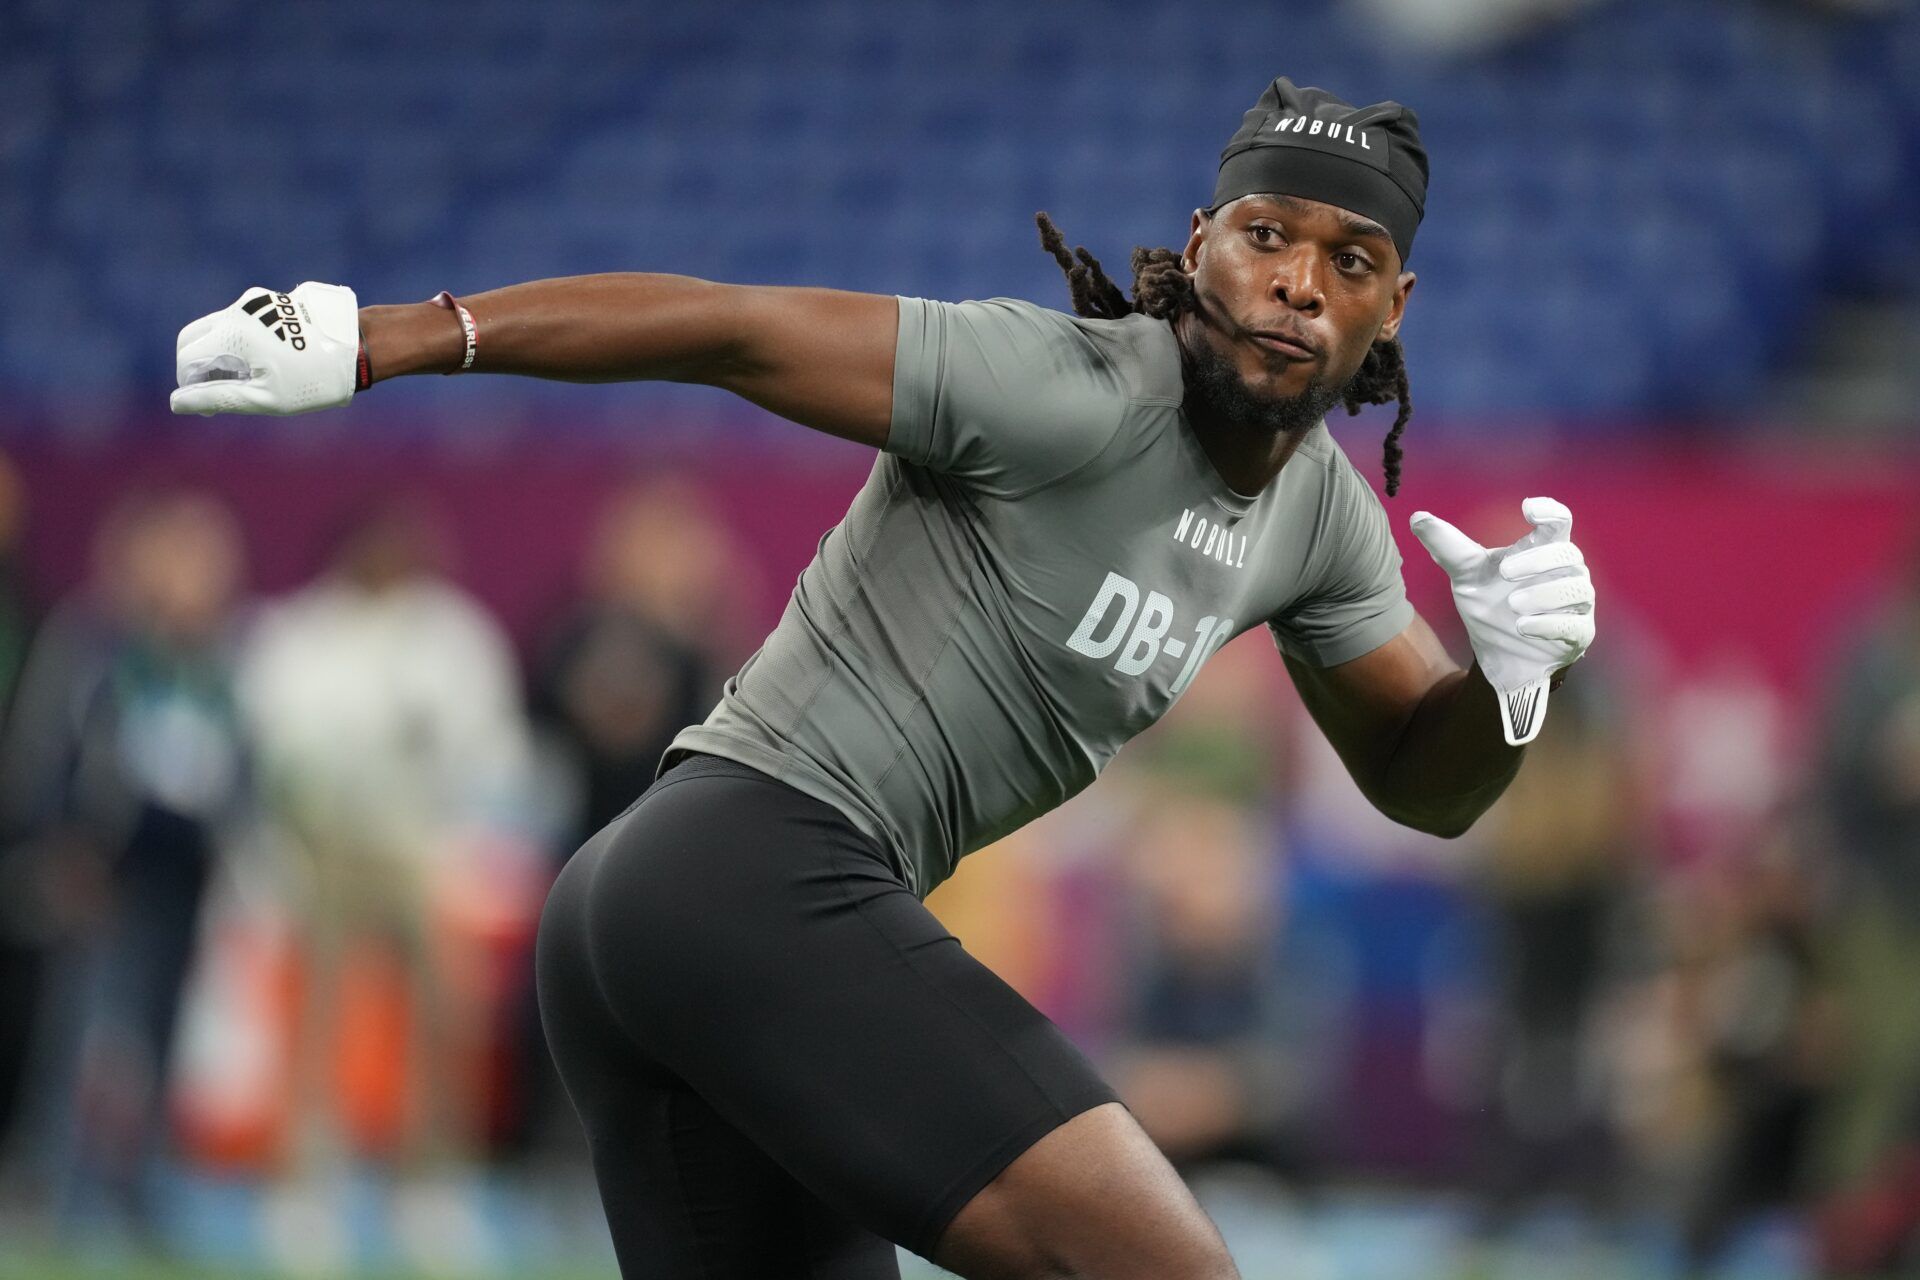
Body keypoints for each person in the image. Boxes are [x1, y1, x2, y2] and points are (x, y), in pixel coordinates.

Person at [170, 78, 1596, 1280]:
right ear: (1200, 242)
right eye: (1266, 234)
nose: (1295, 281)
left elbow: (1427, 780)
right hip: (745, 876)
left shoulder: (1326, 521)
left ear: (1394, 307)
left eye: (1348, 261)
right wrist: (387, 337)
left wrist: (1509, 684)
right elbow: (730, 331)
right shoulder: (1071, 385)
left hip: (677, 929)